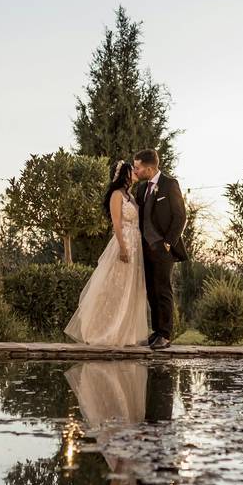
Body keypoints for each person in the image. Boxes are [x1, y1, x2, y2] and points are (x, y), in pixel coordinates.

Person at [64, 161, 149, 346]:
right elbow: (116, 223)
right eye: (131, 170)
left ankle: (124, 333)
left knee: (129, 288)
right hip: (124, 242)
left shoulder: (131, 196)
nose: (135, 172)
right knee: (115, 287)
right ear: (124, 175)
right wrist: (123, 248)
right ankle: (104, 330)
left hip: (136, 243)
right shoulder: (116, 195)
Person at [132, 148, 187, 350]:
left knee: (163, 290)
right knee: (151, 290)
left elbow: (180, 216)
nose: (135, 171)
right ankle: (156, 332)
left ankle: (165, 334)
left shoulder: (169, 184)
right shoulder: (141, 189)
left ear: (149, 168)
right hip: (145, 248)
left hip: (163, 248)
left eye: (138, 167)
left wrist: (167, 242)